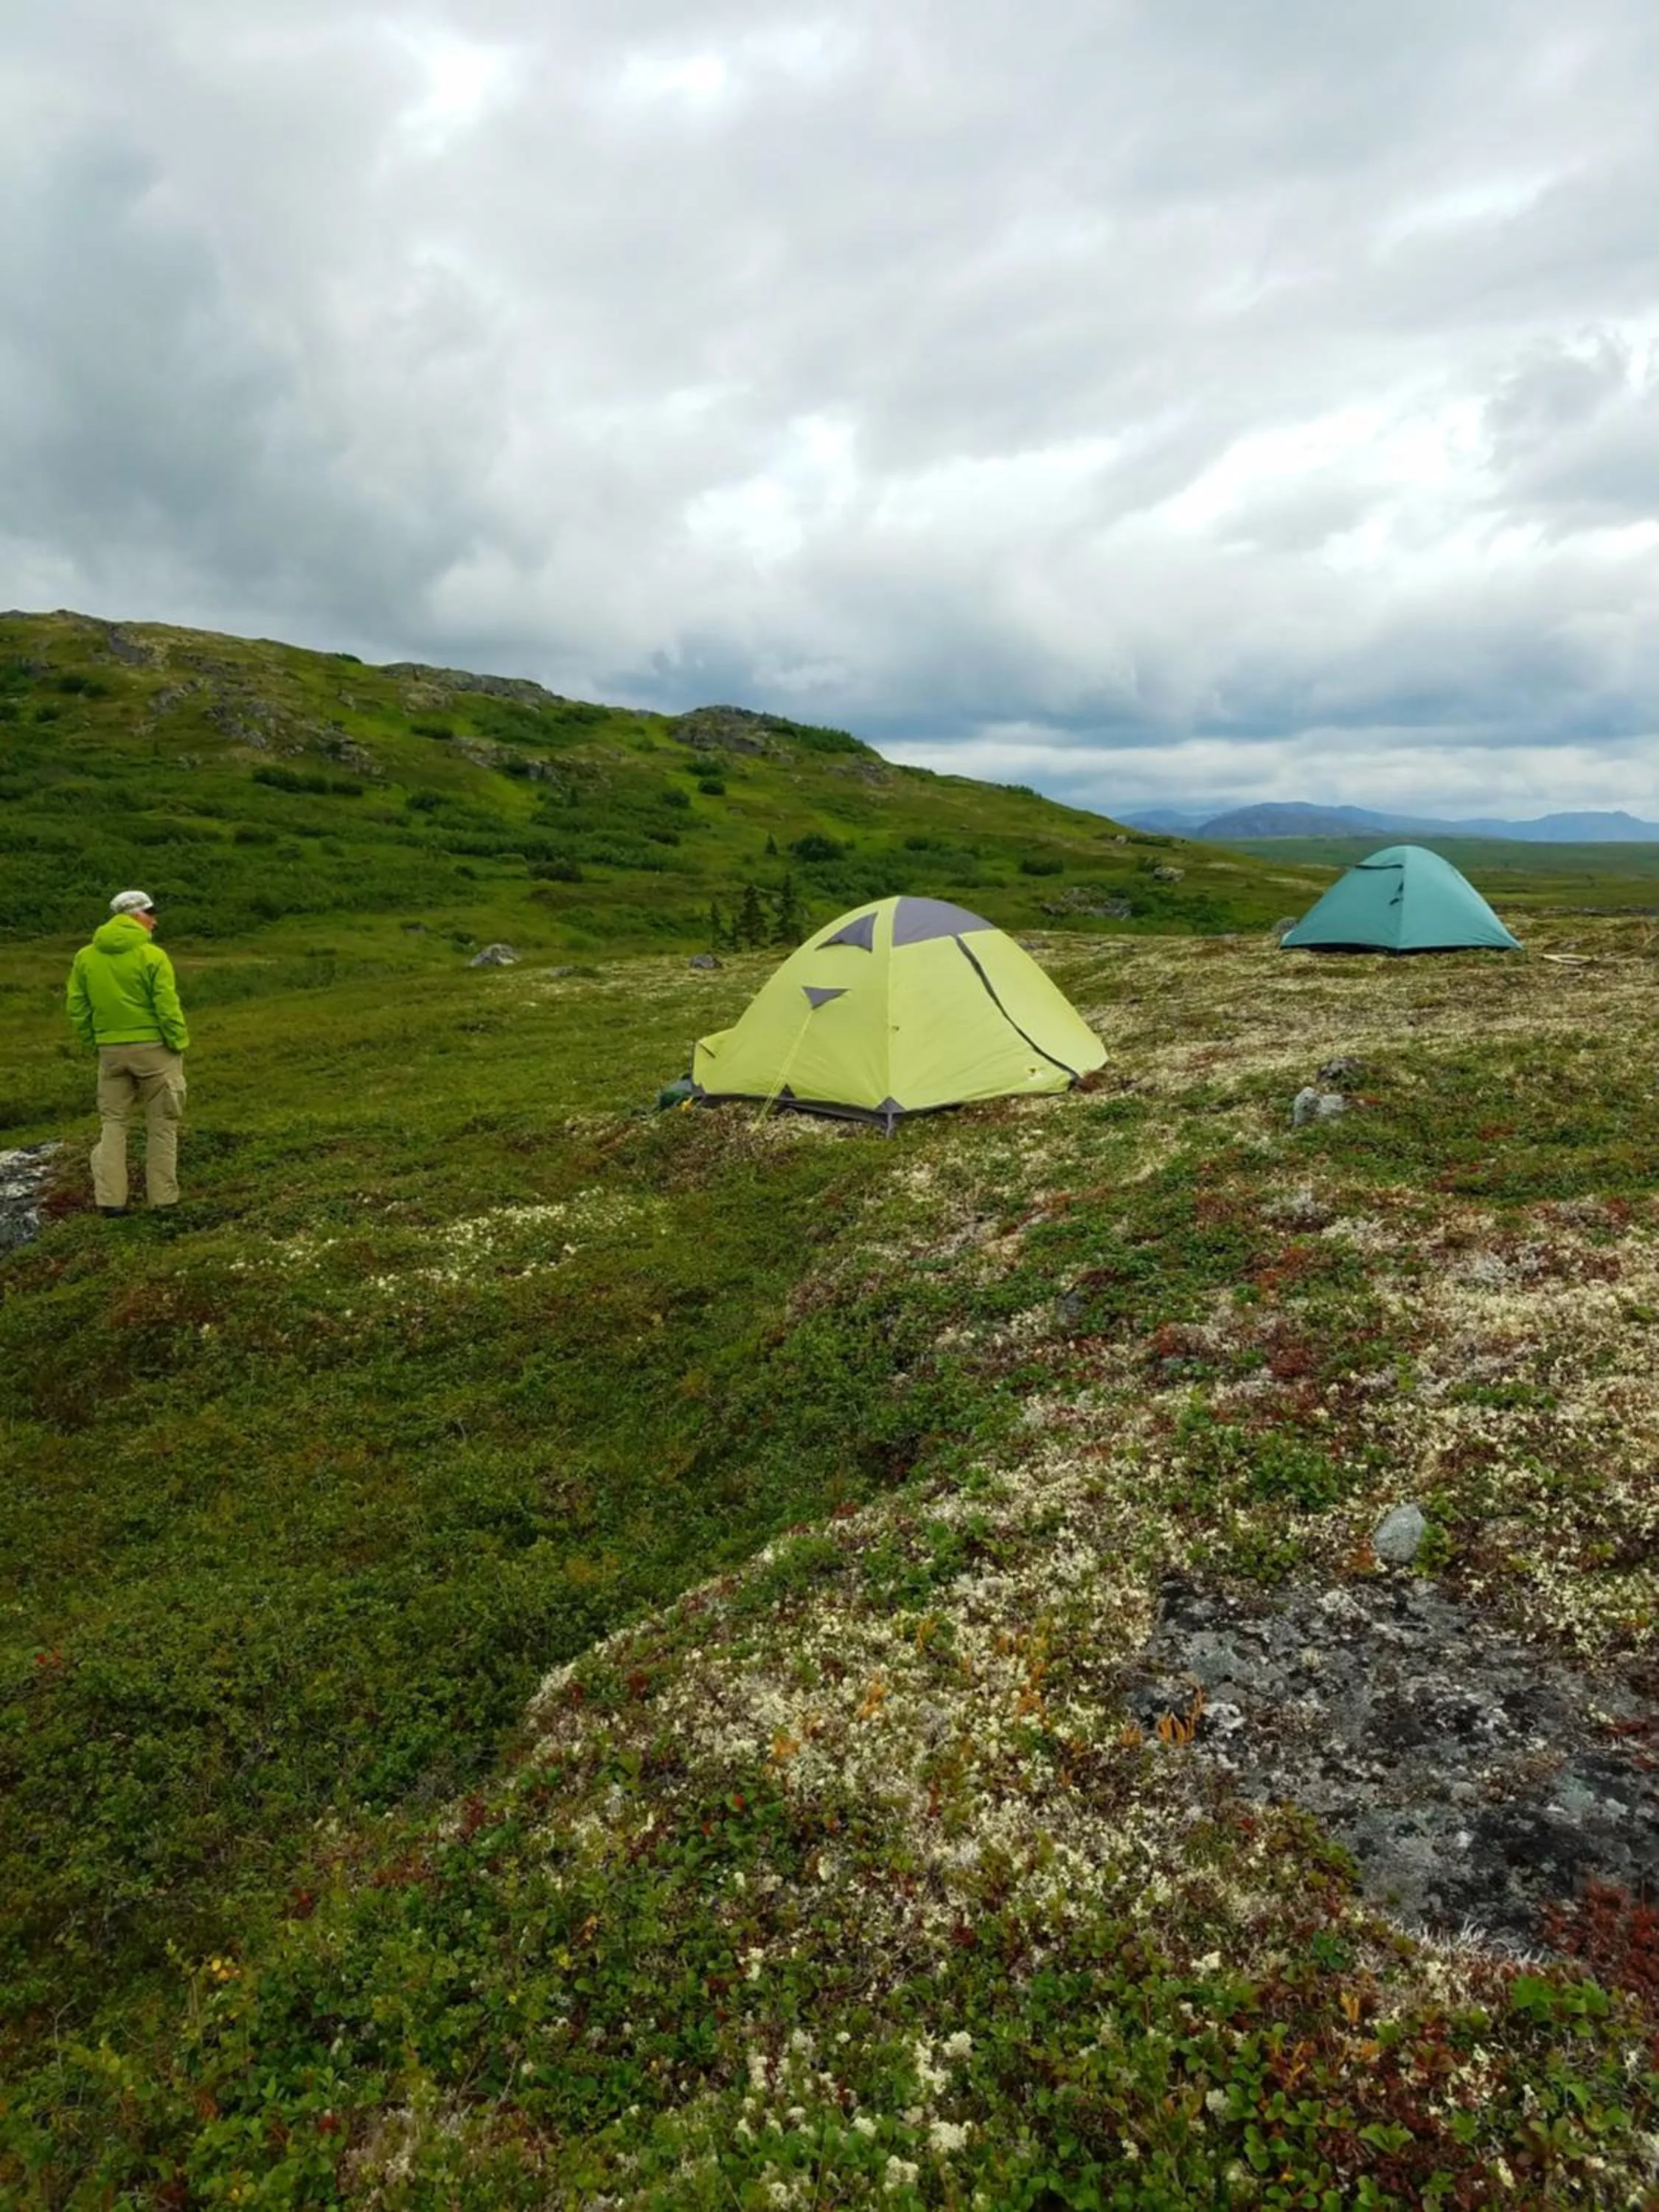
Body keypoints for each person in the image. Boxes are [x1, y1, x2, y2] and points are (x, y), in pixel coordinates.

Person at [66, 891, 190, 1216]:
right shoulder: (153, 955)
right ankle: (163, 1200)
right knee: (162, 1124)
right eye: (151, 913)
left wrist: (95, 1041)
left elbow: (77, 1006)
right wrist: (178, 1042)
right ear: (136, 916)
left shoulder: (86, 956)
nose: (155, 919)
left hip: (110, 1051)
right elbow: (167, 1006)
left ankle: (111, 1202)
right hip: (155, 1050)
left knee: (113, 1123)